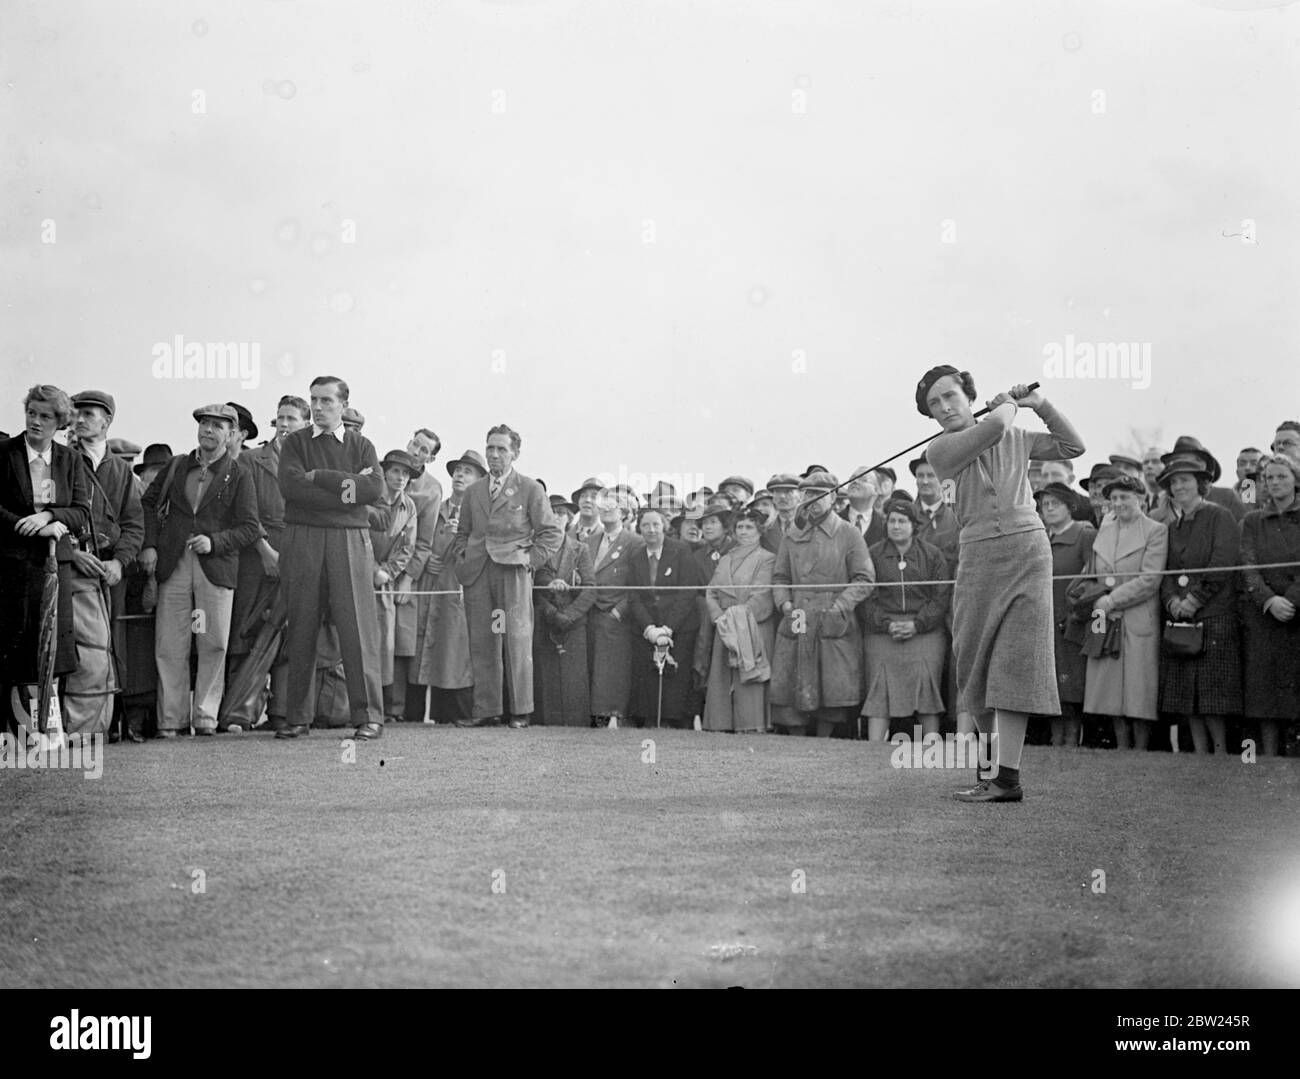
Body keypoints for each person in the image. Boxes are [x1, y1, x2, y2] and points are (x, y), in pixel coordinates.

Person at [922, 367, 1085, 802]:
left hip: (1028, 551)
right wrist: (1008, 406)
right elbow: (993, 425)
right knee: (973, 662)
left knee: (1015, 663)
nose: (945, 408)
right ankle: (990, 771)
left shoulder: (1017, 435)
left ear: (966, 394)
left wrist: (1039, 405)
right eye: (935, 404)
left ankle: (1006, 779)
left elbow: (1073, 446)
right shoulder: (941, 449)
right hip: (978, 555)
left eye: (951, 396)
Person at [277, 376, 387, 741]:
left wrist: (320, 477)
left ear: (344, 404)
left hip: (350, 541)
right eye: (314, 400)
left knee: (356, 628)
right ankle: (297, 718)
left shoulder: (361, 445)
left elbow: (373, 489)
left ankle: (369, 717)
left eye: (326, 400)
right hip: (303, 538)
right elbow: (291, 489)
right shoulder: (295, 442)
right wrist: (346, 493)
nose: (319, 407)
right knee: (302, 624)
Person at [140, 404, 260, 737]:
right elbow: (148, 504)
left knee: (213, 642)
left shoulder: (239, 474)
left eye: (217, 426)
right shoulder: (177, 466)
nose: (208, 430)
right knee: (170, 642)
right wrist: (150, 544)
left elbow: (250, 527)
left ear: (232, 434)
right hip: (173, 563)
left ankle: (205, 717)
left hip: (215, 567)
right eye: (204, 424)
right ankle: (170, 720)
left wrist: (216, 542)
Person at [449, 424, 561, 729]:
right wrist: (463, 557)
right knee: (483, 641)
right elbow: (463, 533)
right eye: (490, 448)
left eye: (501, 449)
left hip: (512, 573)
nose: (494, 454)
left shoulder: (529, 488)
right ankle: (487, 710)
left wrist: (529, 561)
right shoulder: (473, 491)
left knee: (517, 641)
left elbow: (551, 533)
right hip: (478, 573)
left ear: (515, 453)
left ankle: (521, 712)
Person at [0, 386, 93, 734]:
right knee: (14, 648)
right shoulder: (5, 453)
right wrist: (31, 527)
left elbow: (81, 511)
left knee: (52, 648)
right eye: (32, 413)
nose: (36, 422)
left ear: (60, 421)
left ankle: (48, 730)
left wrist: (51, 517)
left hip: (55, 567)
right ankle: (11, 733)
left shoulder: (70, 460)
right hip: (11, 565)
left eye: (46, 416)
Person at [770, 471, 875, 737]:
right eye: (807, 494)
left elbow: (865, 578)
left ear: (833, 499)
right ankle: (797, 739)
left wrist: (840, 606)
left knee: (832, 682)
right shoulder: (792, 535)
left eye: (819, 495)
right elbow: (780, 576)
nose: (812, 500)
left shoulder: (848, 533)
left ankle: (824, 739)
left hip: (833, 617)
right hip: (797, 614)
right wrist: (784, 604)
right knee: (794, 676)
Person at [225, 395, 307, 732]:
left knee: (291, 637)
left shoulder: (310, 463)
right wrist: (264, 551)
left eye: (292, 419)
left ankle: (282, 713)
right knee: (246, 632)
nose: (285, 424)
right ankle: (237, 714)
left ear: (305, 424)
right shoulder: (249, 460)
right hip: (255, 559)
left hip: (299, 557)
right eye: (281, 417)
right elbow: (245, 512)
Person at [68, 390, 143, 739]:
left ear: (106, 421)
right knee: (74, 647)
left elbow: (134, 524)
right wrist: (72, 553)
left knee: (112, 644)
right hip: (71, 565)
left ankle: (110, 722)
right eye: (76, 413)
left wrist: (120, 562)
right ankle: (72, 725)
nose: (80, 419)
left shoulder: (122, 471)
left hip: (110, 570)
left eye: (88, 413)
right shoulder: (63, 460)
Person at [1155, 453, 1242, 755]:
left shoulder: (1220, 516)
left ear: (1200, 483)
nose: (1178, 487)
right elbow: (1165, 571)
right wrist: (1172, 601)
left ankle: (1219, 753)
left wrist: (1193, 600)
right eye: (1173, 482)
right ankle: (1199, 754)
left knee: (1213, 695)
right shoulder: (1171, 526)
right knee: (1186, 693)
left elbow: (1222, 563)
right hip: (1181, 618)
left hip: (1214, 615)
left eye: (1185, 480)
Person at [1077, 474, 1168, 749]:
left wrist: (1112, 599)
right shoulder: (1105, 528)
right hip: (1105, 615)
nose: (1118, 503)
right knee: (1108, 687)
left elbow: (1150, 579)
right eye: (1113, 498)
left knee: (1139, 688)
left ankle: (1139, 749)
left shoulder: (1155, 530)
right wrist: (1090, 594)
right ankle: (1120, 746)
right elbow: (1092, 569)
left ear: (1140, 498)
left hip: (1138, 616)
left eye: (1124, 497)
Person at [860, 497, 951, 742]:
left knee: (927, 685)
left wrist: (917, 624)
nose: (896, 526)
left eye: (902, 521)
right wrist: (887, 624)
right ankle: (873, 748)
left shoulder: (932, 555)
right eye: (892, 521)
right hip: (882, 631)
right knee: (880, 686)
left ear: (913, 525)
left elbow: (940, 597)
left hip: (925, 631)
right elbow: (867, 598)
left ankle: (932, 746)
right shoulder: (873, 554)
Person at [414, 449, 485, 724]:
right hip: (431, 588)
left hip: (460, 590)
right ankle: (422, 714)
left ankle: (459, 714)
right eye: (458, 470)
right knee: (429, 648)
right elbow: (420, 541)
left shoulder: (480, 514)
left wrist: (463, 539)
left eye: (468, 471)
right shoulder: (437, 507)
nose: (460, 475)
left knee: (456, 653)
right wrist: (428, 558)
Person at [1239, 452, 1300, 756]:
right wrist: (1268, 600)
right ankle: (1267, 755)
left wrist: (1290, 600)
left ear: (1295, 480)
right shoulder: (1252, 520)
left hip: (1296, 614)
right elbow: (1248, 566)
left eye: (1282, 477)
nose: (1275, 482)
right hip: (1263, 615)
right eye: (1270, 478)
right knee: (1264, 688)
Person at [627, 506, 705, 729]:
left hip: (680, 626)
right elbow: (634, 597)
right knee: (648, 678)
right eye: (645, 525)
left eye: (656, 525)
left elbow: (687, 593)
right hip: (647, 628)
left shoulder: (681, 551)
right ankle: (652, 721)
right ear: (639, 529)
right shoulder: (636, 556)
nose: (651, 530)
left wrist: (668, 628)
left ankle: (676, 722)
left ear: (665, 527)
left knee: (676, 679)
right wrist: (650, 629)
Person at [1032, 481, 1095, 747]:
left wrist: (1076, 611)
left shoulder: (1084, 534)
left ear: (1070, 506)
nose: (1048, 509)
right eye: (1044, 505)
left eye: (1054, 503)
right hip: (1044, 623)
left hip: (1073, 622)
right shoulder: (1039, 538)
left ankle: (1072, 741)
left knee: (1073, 686)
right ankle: (1056, 740)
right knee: (1051, 687)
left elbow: (1093, 578)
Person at [702, 506, 776, 733]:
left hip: (752, 627)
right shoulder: (726, 558)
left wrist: (736, 618)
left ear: (759, 530)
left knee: (749, 680)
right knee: (722, 679)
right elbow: (711, 591)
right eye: (740, 527)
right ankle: (721, 724)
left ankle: (751, 725)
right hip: (724, 626)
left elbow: (762, 594)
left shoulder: (767, 559)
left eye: (749, 527)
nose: (743, 532)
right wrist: (720, 618)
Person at [390, 429, 443, 723]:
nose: (417, 452)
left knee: (401, 640)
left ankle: (396, 709)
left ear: (431, 458)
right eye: (415, 444)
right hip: (375, 567)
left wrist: (409, 577)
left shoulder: (432, 489)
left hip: (406, 572)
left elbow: (425, 541)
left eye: (424, 450)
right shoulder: (388, 470)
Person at [533, 493, 596, 726]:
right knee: (546, 677)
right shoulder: (536, 549)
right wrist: (550, 608)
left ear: (569, 518)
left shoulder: (580, 549)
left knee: (573, 678)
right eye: (552, 512)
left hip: (574, 623)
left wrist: (568, 615)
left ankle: (574, 726)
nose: (557, 517)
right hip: (544, 619)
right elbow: (529, 588)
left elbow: (590, 588)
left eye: (561, 513)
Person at [586, 487, 644, 727]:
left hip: (616, 614)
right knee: (594, 665)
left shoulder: (634, 542)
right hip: (589, 611)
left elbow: (638, 584)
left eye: (615, 504)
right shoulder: (589, 541)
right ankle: (594, 715)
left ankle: (614, 715)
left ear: (625, 512)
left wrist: (618, 611)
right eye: (604, 504)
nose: (608, 508)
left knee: (614, 667)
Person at [370, 450, 421, 712]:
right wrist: (370, 568)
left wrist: (387, 572)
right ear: (385, 472)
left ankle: (380, 706)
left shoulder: (409, 506)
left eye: (406, 473)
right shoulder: (369, 497)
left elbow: (407, 548)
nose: (400, 478)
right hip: (359, 574)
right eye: (395, 471)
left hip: (385, 582)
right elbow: (357, 535)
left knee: (385, 641)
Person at [909, 454, 959, 566]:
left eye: (931, 475)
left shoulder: (956, 517)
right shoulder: (906, 517)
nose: (925, 481)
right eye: (920, 476)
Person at [839, 466, 885, 544]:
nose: (855, 481)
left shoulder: (886, 526)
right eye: (852, 479)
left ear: (876, 490)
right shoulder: (832, 522)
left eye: (863, 480)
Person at [761, 474, 801, 554]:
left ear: (800, 496)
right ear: (773, 498)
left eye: (788, 492)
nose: (782, 496)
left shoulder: (811, 527)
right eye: (777, 492)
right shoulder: (764, 530)